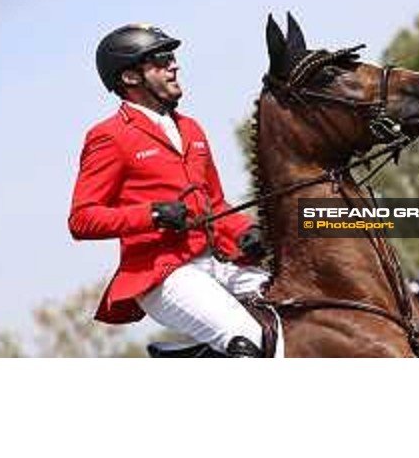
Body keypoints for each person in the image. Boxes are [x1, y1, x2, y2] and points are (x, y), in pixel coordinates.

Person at [68, 23, 270, 357]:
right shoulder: (109, 136)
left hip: (218, 260)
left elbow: (215, 203)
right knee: (247, 334)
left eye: (173, 57)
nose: (174, 65)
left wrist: (245, 230)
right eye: (162, 59)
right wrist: (153, 214)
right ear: (131, 77)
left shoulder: (191, 128)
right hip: (163, 274)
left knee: (299, 311)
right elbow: (82, 219)